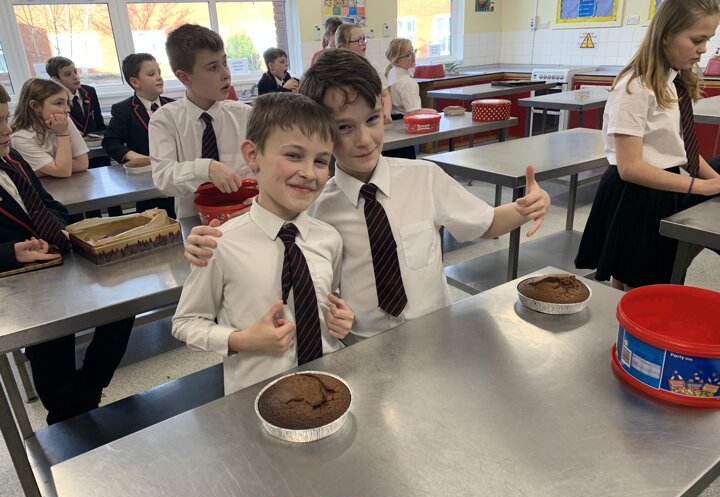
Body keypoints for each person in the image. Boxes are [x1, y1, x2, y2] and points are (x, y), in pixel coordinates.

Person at [184, 49, 550, 341]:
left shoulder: (424, 178)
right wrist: (208, 242)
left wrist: (525, 207)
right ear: (321, 132)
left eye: (372, 119)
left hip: (435, 332)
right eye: (344, 127)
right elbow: (265, 235)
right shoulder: (314, 203)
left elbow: (485, 223)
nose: (363, 139)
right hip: (360, 342)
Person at [172, 93, 354, 394]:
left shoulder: (328, 238)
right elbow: (186, 322)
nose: (309, 173)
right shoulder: (220, 244)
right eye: (293, 155)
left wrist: (341, 319)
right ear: (253, 155)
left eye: (321, 161)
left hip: (327, 386)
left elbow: (326, 294)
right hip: (256, 394)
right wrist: (241, 340)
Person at [0, 84, 133, 424]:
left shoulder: (11, 158)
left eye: (4, 119)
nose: (5, 130)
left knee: (122, 307)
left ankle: (83, 395)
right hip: (21, 283)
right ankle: (69, 412)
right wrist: (11, 252)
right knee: (52, 357)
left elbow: (48, 204)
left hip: (58, 257)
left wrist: (56, 230)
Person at [575, 0, 720, 290]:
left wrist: (715, 181)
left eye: (709, 39)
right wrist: (702, 187)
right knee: (636, 281)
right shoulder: (636, 85)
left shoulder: (673, 81)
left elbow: (681, 148)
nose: (704, 49)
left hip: (663, 186)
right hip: (636, 193)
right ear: (666, 34)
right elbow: (630, 168)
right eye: (697, 40)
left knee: (653, 274)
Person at [149, 24, 254, 219]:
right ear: (184, 77)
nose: (226, 74)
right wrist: (206, 169)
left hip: (246, 218)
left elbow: (270, 168)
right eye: (213, 67)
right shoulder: (165, 120)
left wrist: (263, 200)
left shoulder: (245, 116)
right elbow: (163, 177)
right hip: (194, 224)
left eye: (225, 62)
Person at [102, 53, 175, 216]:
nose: (159, 77)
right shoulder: (123, 110)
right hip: (147, 182)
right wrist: (138, 158)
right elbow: (110, 143)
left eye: (159, 72)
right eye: (151, 74)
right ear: (135, 82)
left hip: (175, 176)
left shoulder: (173, 105)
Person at [10, 78, 89, 178]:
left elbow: (82, 163)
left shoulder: (64, 119)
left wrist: (50, 167)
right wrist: (62, 134)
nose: (67, 109)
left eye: (67, 103)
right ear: (35, 106)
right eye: (59, 103)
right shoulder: (20, 138)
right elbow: (64, 171)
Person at [335, 23, 393, 124]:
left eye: (364, 39)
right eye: (358, 41)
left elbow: (385, 94)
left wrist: (386, 114)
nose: (363, 44)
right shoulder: (336, 72)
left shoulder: (373, 67)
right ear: (342, 46)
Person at [46, 56, 106, 137]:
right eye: (68, 74)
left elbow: (99, 121)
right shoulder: (54, 100)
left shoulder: (89, 91)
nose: (75, 77)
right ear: (56, 79)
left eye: (75, 72)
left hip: (95, 140)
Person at [385, 38, 438, 117]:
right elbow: (413, 112)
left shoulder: (392, 72)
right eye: (407, 55)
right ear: (397, 61)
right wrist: (434, 112)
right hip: (403, 120)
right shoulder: (408, 82)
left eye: (413, 51)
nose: (413, 56)